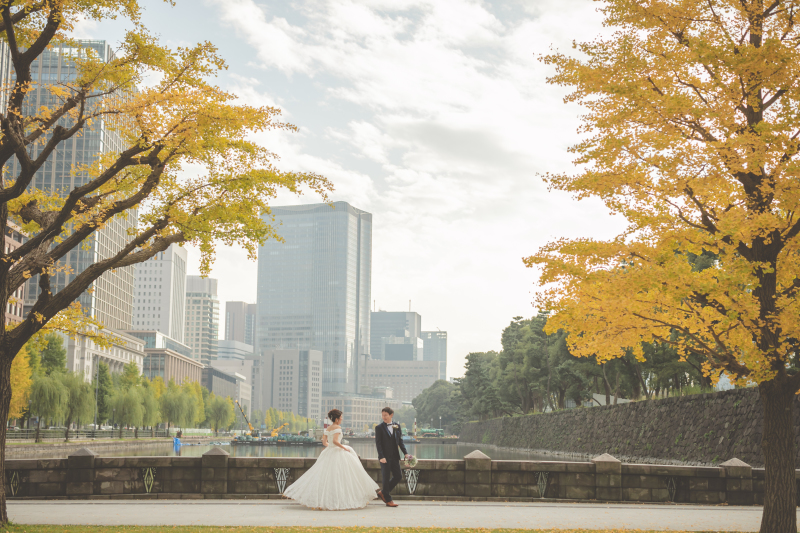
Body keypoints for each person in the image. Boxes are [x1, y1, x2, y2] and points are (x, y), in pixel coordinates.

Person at [282, 409, 379, 510]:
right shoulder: (338, 427)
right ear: (336, 419)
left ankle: (325, 500)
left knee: (326, 477)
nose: (342, 419)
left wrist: (331, 446)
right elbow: (335, 441)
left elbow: (324, 442)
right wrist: (344, 448)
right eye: (341, 417)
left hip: (329, 452)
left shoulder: (328, 428)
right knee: (342, 477)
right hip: (337, 452)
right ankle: (341, 500)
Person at [375, 406, 411, 507]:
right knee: (386, 478)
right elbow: (378, 444)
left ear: (391, 415)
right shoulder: (379, 428)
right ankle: (388, 500)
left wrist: (406, 453)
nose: (384, 417)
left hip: (395, 456)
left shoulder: (397, 426)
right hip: (384, 457)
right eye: (382, 415)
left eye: (385, 415)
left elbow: (400, 441)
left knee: (398, 476)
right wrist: (381, 456)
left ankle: (383, 492)